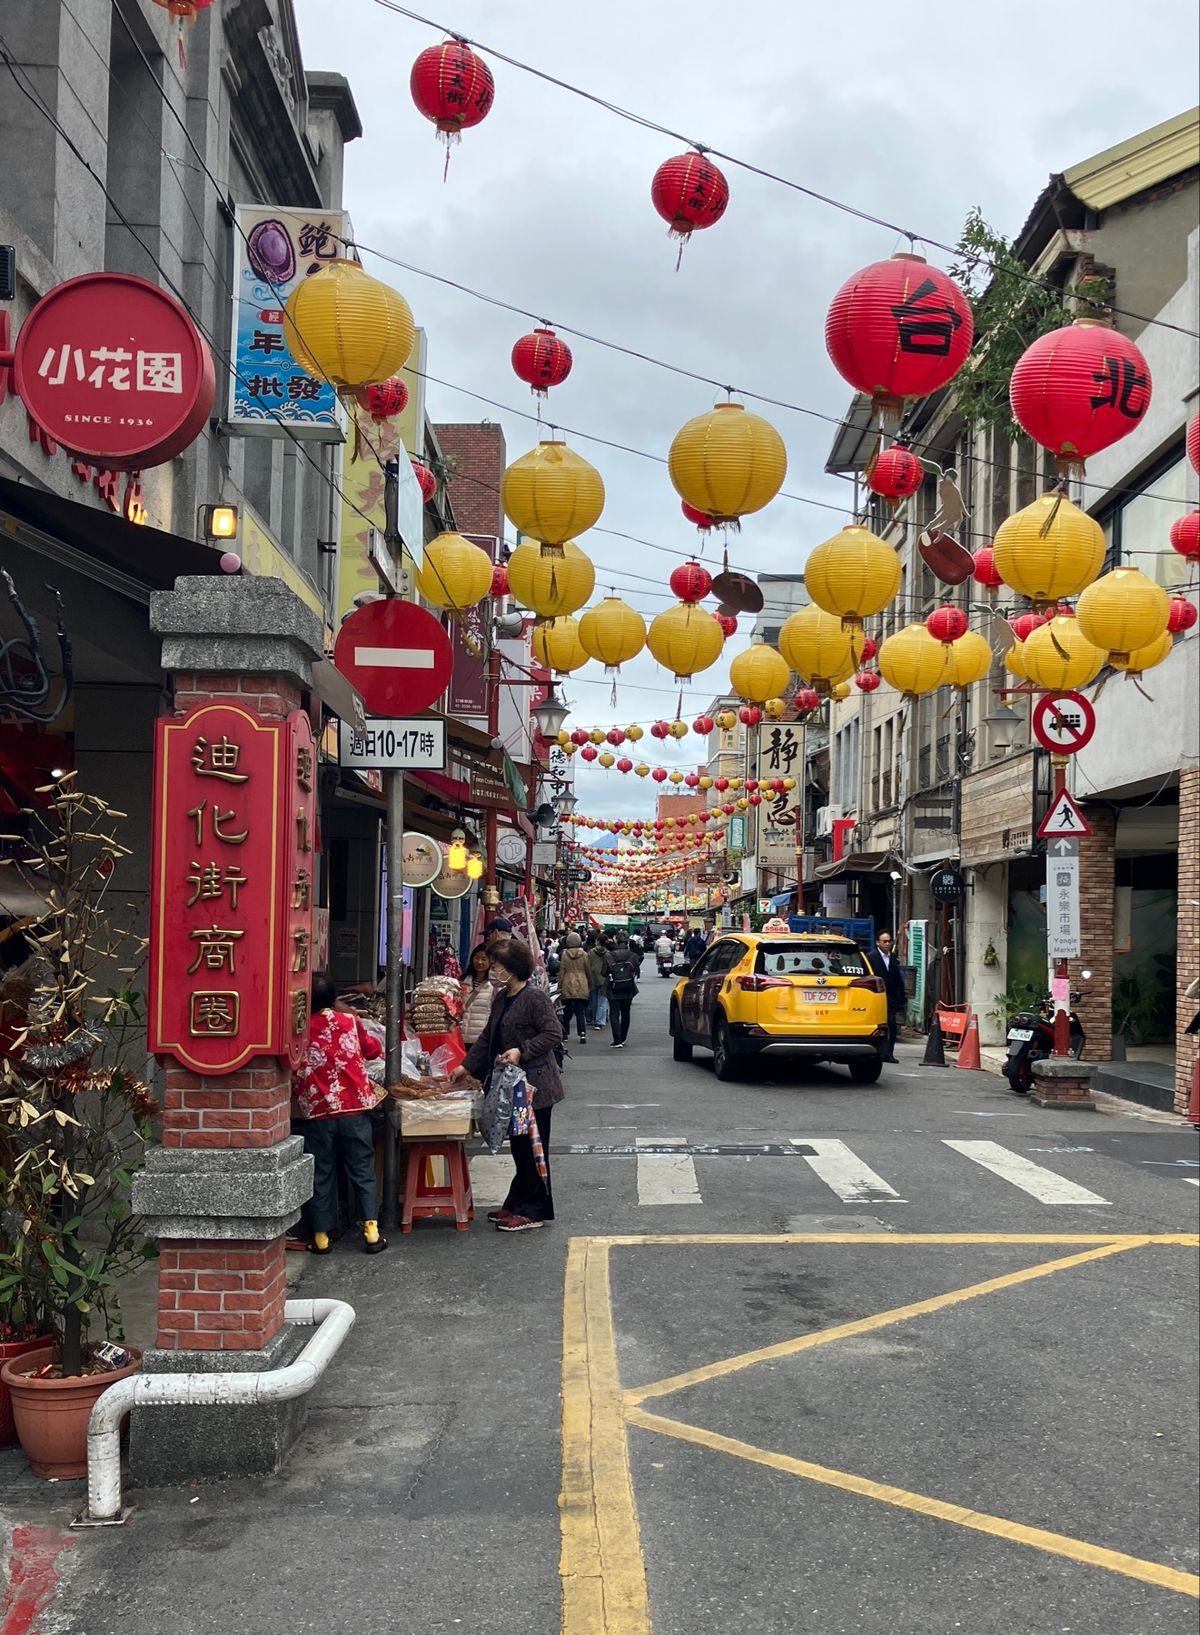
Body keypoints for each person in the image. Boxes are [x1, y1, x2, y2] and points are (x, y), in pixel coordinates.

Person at [461, 939, 564, 1232]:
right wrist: (464, 1067)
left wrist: (522, 1050)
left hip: (536, 1088)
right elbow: (486, 1039)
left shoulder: (534, 998)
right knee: (520, 1146)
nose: (493, 971)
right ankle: (517, 1202)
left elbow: (553, 1033)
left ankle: (534, 1210)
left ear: (514, 968)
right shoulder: (503, 996)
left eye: (498, 966)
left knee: (533, 1148)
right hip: (511, 1088)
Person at [292, 972, 388, 1256]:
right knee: (362, 1169)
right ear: (334, 997)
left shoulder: (298, 1027)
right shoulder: (350, 1021)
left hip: (318, 1111)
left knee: (322, 1171)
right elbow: (374, 1051)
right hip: (355, 1107)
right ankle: (371, 1232)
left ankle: (321, 1236)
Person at [866, 929, 908, 1062]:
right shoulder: (871, 957)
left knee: (892, 1026)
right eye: (884, 941)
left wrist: (901, 998)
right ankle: (878, 1052)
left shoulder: (893, 957)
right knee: (879, 1027)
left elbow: (897, 979)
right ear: (878, 943)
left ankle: (889, 1053)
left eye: (890, 941)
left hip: (891, 998)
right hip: (876, 996)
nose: (888, 944)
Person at [604, 931, 640, 1048]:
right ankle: (623, 1037)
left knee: (614, 1013)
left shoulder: (610, 955)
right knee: (626, 1013)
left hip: (613, 988)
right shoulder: (632, 955)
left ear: (616, 941)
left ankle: (617, 1039)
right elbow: (636, 970)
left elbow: (604, 972)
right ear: (627, 941)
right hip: (628, 988)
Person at [460, 943, 498, 1047]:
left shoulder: (494, 986)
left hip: (481, 1040)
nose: (479, 962)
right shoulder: (463, 981)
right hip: (461, 1037)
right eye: (476, 958)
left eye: (484, 959)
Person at [558, 931, 591, 1042]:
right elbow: (588, 971)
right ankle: (582, 1033)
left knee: (567, 1011)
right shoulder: (585, 955)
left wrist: (559, 986)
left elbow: (562, 971)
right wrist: (590, 984)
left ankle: (565, 1033)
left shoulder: (564, 954)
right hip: (581, 982)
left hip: (567, 982)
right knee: (580, 1011)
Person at [586, 934, 609, 1031]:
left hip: (593, 978)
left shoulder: (591, 952)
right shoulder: (608, 953)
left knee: (593, 1000)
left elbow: (587, 965)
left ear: (598, 941)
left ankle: (595, 1019)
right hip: (604, 979)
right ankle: (600, 1021)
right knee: (603, 1001)